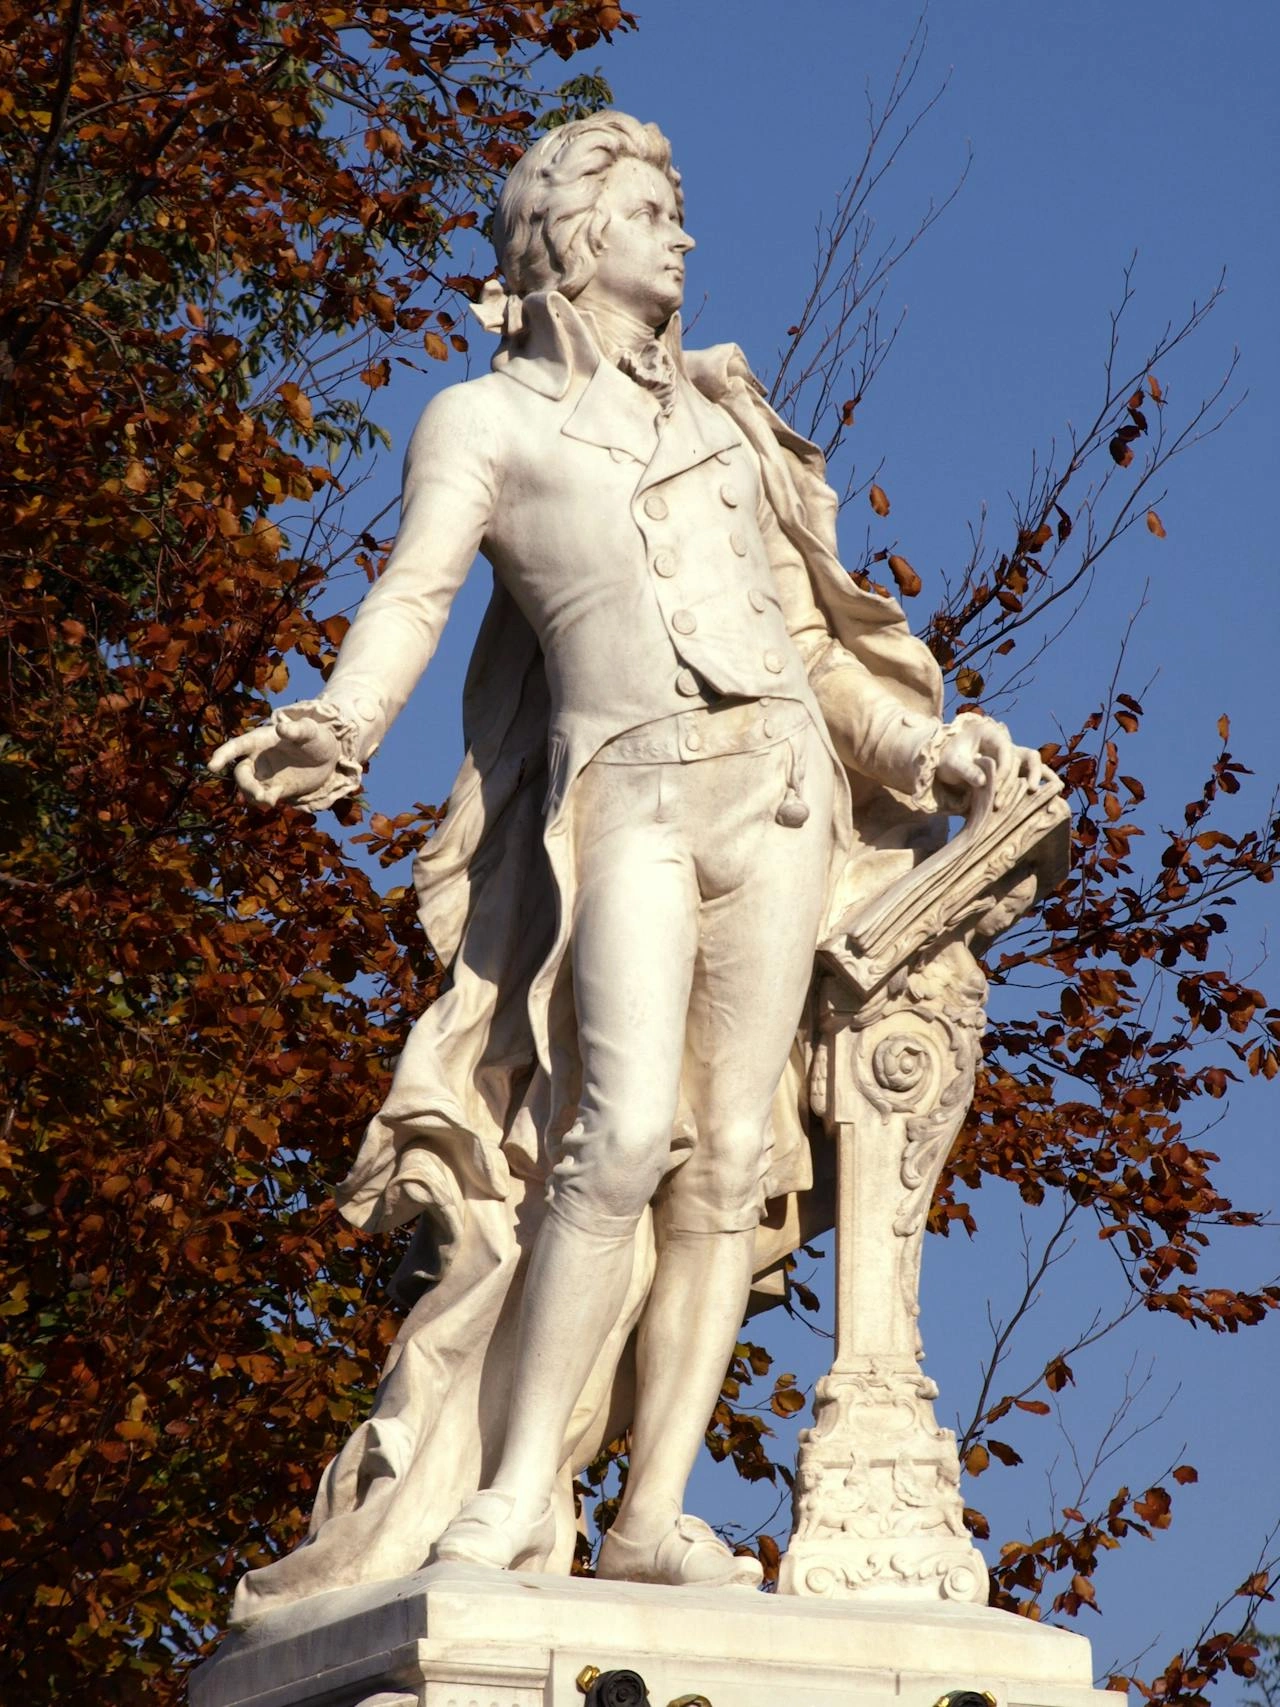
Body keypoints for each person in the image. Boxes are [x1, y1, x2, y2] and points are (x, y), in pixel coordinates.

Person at [212, 112, 1041, 1602]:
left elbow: (806, 649)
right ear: (577, 235)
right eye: (657, 210)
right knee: (616, 1138)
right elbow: (410, 593)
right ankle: (521, 1493)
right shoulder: (488, 421)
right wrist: (342, 719)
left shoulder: (727, 425)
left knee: (729, 1158)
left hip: (778, 792)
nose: (684, 236)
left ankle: (652, 1512)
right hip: (631, 801)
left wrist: (927, 753)